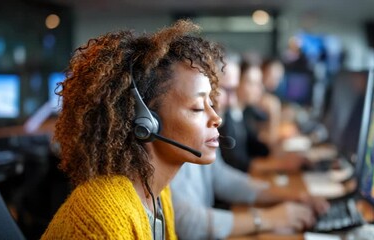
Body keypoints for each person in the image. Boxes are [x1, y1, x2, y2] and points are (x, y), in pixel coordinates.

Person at [41, 20, 224, 239]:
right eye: (196, 108)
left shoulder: (157, 195)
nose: (216, 118)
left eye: (210, 104)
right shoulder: (102, 219)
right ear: (145, 123)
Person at [170, 55, 329, 239]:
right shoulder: (173, 144)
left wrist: (290, 197)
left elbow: (222, 177)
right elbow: (188, 223)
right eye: (226, 89)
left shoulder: (203, 134)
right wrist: (268, 219)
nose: (231, 100)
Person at [220, 59, 307, 175]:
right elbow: (237, 163)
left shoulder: (244, 113)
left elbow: (261, 149)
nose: (259, 89)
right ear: (237, 83)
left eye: (259, 83)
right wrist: (282, 164)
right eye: (252, 83)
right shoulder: (225, 119)